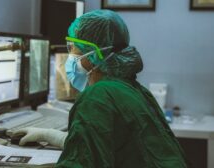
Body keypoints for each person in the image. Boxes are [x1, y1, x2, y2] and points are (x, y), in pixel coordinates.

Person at [11, 10, 189, 168]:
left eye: (73, 48)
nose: (70, 56)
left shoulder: (98, 96)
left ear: (94, 53)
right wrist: (48, 134)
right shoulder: (134, 90)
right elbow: (103, 146)